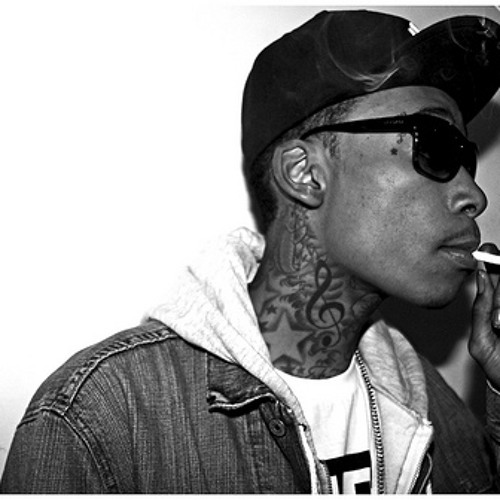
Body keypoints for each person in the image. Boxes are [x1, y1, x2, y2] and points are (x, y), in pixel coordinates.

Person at [2, 8, 500, 494]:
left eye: (467, 159)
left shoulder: (434, 411)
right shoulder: (106, 420)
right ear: (305, 174)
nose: (474, 196)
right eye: (435, 145)